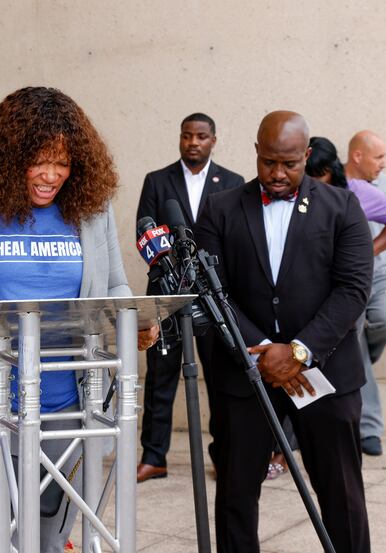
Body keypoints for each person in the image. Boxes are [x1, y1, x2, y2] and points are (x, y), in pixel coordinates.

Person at [0, 86, 158, 553]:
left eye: (62, 164)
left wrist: (138, 318)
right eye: (38, 162)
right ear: (7, 156)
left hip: (72, 408)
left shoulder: (91, 210)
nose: (50, 176)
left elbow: (115, 287)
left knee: (50, 544)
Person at [196, 111, 373, 553]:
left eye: (290, 164)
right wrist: (262, 352)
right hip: (245, 376)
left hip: (325, 373)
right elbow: (211, 291)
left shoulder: (342, 207)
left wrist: (298, 351)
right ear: (256, 152)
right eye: (269, 162)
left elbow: (353, 290)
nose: (277, 174)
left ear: (307, 156)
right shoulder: (219, 209)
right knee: (236, 494)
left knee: (341, 493)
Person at [135, 112, 244, 482]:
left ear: (213, 139)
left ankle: (225, 455)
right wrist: (173, 276)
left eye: (200, 136)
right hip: (167, 296)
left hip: (214, 296)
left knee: (220, 378)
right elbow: (145, 235)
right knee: (160, 377)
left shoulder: (233, 182)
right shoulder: (157, 181)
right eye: (186, 136)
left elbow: (236, 239)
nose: (192, 142)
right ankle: (154, 456)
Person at [344, 130, 386, 455]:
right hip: (348, 283)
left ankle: (357, 358)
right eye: (378, 157)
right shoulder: (339, 187)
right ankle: (369, 428)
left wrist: (371, 251)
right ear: (358, 156)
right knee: (352, 339)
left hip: (380, 278)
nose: (384, 164)